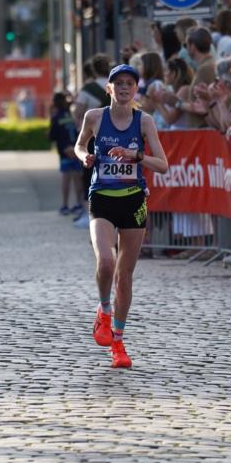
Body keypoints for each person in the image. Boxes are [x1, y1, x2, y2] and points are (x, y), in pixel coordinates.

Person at [74, 64, 168, 368]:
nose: (124, 88)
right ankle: (104, 310)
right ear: (109, 88)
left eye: (130, 83)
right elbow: (79, 144)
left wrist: (136, 156)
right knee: (105, 261)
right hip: (101, 197)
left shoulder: (144, 122)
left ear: (135, 90)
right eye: (119, 83)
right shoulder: (95, 118)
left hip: (133, 201)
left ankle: (118, 342)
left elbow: (162, 164)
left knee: (124, 277)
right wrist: (84, 156)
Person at [72, 54, 112, 228]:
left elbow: (78, 111)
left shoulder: (88, 88)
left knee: (89, 176)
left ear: (94, 70)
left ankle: (91, 215)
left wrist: (81, 131)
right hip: (115, 136)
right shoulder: (115, 86)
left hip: (92, 137)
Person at [49, 91, 84, 216]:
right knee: (77, 178)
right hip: (74, 151)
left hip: (64, 152)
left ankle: (65, 205)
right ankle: (79, 203)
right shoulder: (70, 115)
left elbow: (53, 136)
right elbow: (75, 131)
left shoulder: (56, 117)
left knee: (66, 179)